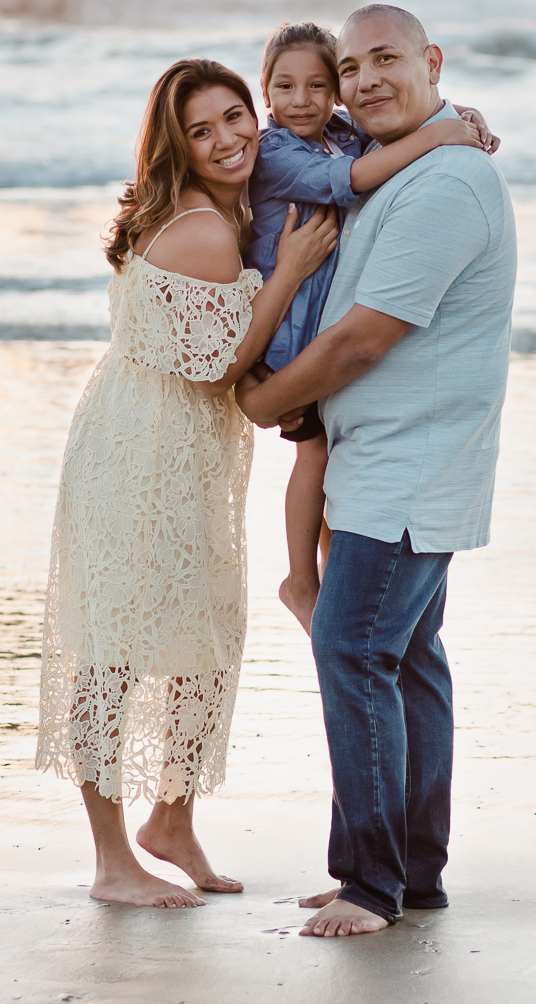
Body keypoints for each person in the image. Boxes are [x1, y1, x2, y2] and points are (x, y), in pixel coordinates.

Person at [238, 4, 517, 938]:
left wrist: (263, 401)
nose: (360, 81)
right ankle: (412, 871)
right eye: (349, 67)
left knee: (351, 650)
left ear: (431, 60)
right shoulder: (410, 160)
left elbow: (362, 338)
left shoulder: (445, 184)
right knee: (405, 664)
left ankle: (369, 882)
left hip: (407, 468)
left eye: (384, 60)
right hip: (384, 460)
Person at [35, 57, 340, 908]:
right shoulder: (203, 231)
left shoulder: (222, 207)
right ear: (178, 144)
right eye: (201, 130)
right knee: (114, 648)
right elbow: (220, 366)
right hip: (142, 455)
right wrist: (287, 272)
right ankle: (110, 862)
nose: (228, 139)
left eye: (236, 117)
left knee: (207, 628)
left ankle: (171, 821)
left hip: (179, 449)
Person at [245, 21, 497, 633]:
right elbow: (354, 180)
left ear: (334, 94)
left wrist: (456, 115)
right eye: (285, 87)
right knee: (313, 455)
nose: (300, 100)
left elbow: (384, 133)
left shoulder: (338, 133)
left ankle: (323, 575)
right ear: (266, 93)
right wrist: (444, 134)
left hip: (316, 332)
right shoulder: (275, 152)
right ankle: (300, 580)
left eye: (317, 85)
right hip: (289, 341)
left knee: (328, 464)